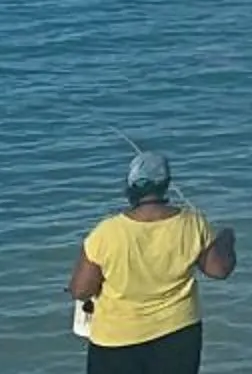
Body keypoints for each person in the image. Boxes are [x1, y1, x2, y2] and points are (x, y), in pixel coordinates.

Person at [67, 151, 235, 374]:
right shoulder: (193, 223)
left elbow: (80, 290)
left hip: (116, 340)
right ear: (166, 184)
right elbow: (219, 270)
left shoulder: (106, 233)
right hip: (179, 333)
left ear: (130, 187)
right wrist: (226, 238)